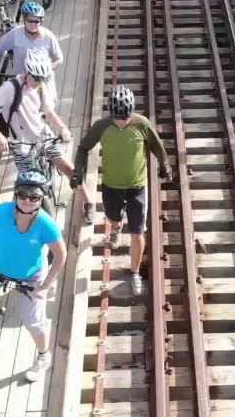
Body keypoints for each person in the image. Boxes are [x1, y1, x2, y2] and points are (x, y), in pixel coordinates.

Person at [0, 170, 66, 382]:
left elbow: (61, 256)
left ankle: (43, 356)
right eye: (23, 194)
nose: (27, 200)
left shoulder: (47, 226)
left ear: (41, 199)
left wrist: (45, 287)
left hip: (29, 276)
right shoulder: (3, 212)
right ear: (16, 194)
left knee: (33, 321)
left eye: (34, 196)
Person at [71, 86, 172, 295]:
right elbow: (83, 148)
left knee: (138, 232)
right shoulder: (101, 127)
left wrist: (165, 166)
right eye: (117, 118)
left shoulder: (142, 124)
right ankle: (117, 228)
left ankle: (135, 272)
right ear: (111, 113)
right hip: (111, 186)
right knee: (113, 218)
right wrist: (77, 172)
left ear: (131, 112)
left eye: (125, 117)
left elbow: (157, 146)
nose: (122, 122)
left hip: (137, 187)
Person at [0, 49, 86, 208]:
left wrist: (62, 127)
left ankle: (88, 203)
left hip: (44, 137)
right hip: (22, 145)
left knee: (72, 172)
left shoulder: (40, 87)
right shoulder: (9, 89)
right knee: (27, 190)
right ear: (27, 71)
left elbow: (49, 113)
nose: (39, 82)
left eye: (43, 79)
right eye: (36, 78)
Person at [0, 1, 63, 96]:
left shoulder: (48, 37)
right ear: (24, 20)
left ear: (41, 21)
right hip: (21, 82)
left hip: (43, 83)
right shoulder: (16, 34)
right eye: (29, 21)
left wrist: (44, 70)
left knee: (48, 103)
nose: (33, 25)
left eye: (36, 21)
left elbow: (59, 59)